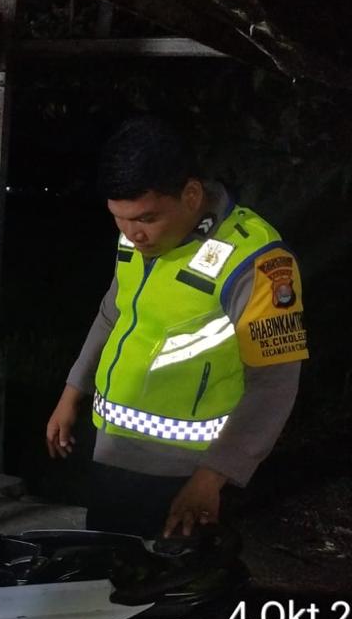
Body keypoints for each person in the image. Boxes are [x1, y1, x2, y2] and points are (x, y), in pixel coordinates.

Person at [46, 115, 308, 538]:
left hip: (187, 474)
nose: (133, 234)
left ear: (191, 195)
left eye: (146, 218)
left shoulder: (254, 260)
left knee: (175, 578)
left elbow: (274, 383)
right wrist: (72, 391)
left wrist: (212, 476)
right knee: (106, 570)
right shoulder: (135, 239)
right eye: (119, 218)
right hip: (112, 455)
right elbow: (113, 313)